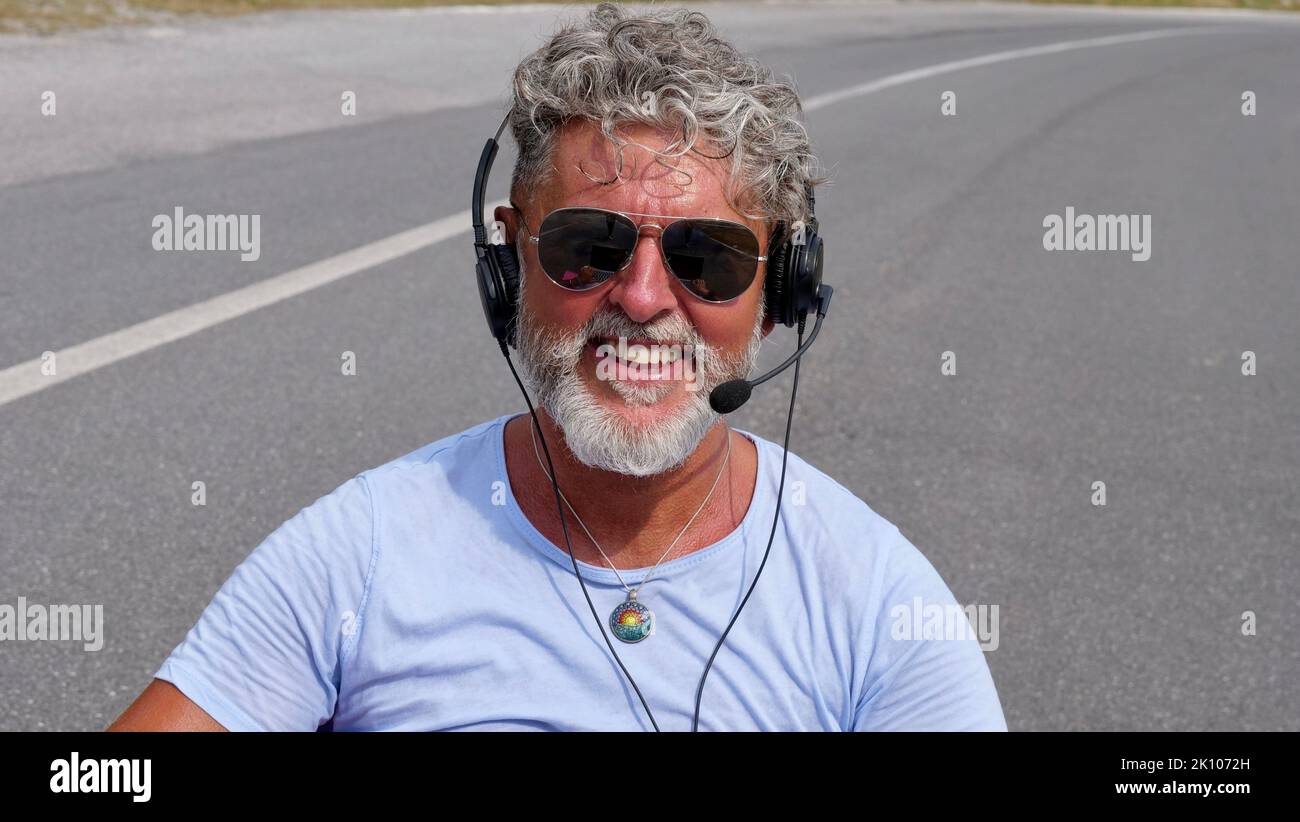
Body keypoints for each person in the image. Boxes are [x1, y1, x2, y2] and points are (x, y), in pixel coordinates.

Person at [109, 2, 1005, 732]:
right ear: (508, 265)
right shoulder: (360, 554)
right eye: (590, 245)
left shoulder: (878, 602)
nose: (646, 298)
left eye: (709, 258)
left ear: (782, 291)